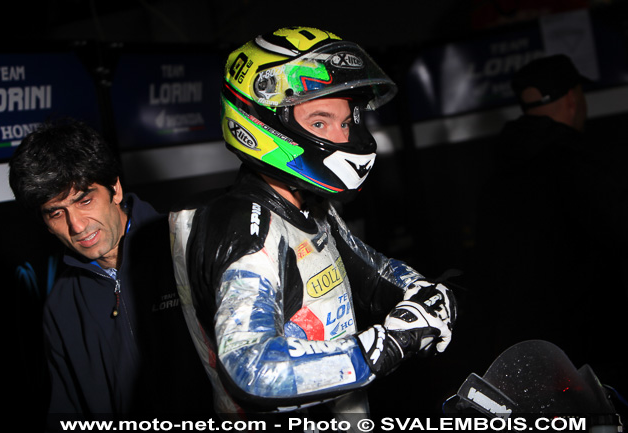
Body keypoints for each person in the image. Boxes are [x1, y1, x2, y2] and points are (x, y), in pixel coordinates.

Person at [169, 26, 457, 424]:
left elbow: (373, 273)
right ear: (262, 119)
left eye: (345, 121)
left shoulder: (308, 205)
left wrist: (421, 292)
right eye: (320, 123)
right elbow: (251, 369)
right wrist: (384, 346)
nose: (341, 136)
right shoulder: (246, 225)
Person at [8, 119, 211, 426]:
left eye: (84, 200)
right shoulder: (61, 306)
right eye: (56, 212)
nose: (77, 225)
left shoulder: (188, 250)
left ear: (114, 189)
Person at [474, 55, 628, 391]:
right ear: (574, 98)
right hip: (586, 356)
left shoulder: (498, 168)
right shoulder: (577, 161)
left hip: (516, 355)